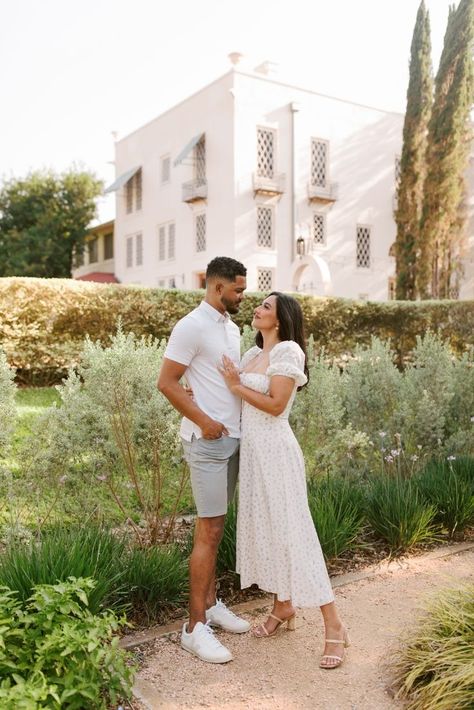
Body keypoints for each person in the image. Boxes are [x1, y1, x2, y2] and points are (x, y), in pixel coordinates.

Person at [218, 292, 350, 669]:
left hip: (277, 453)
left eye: (266, 307)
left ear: (279, 319)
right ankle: (283, 605)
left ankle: (335, 625)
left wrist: (235, 387)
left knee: (296, 536)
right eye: (259, 304)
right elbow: (235, 398)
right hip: (255, 458)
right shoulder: (250, 355)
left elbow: (276, 405)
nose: (257, 309)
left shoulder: (288, 352)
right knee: (270, 532)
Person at [157, 256, 250, 665]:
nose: (243, 297)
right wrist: (205, 421)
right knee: (208, 531)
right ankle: (194, 628)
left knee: (218, 527)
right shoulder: (190, 325)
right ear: (218, 287)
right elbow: (166, 382)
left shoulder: (231, 328)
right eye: (239, 290)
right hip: (207, 442)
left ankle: (211, 605)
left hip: (232, 440)